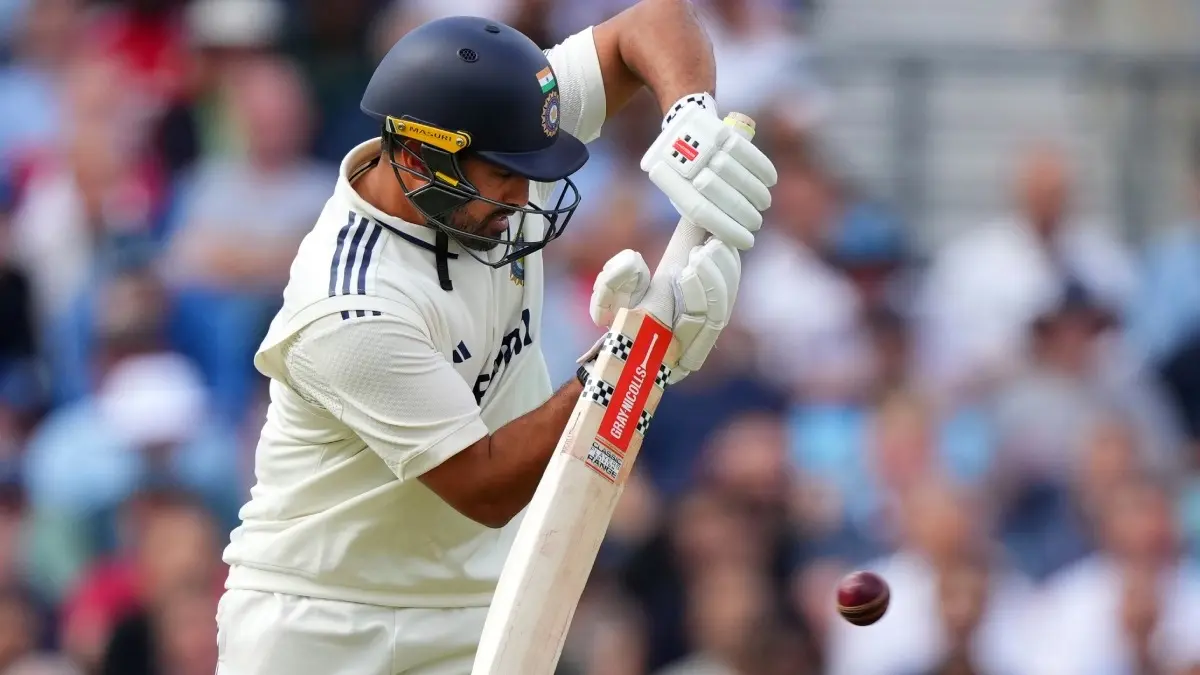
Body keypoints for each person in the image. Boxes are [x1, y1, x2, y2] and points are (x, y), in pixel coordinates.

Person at [214, 1, 777, 673]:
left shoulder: (496, 121)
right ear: (422, 158)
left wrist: (689, 116)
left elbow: (654, 21)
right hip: (327, 624)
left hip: (485, 604)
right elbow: (483, 484)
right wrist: (635, 356)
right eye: (505, 176)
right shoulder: (352, 305)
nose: (523, 197)